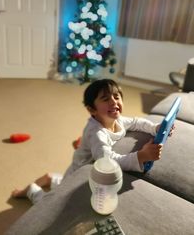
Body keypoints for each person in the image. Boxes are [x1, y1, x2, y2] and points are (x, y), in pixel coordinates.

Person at [12, 79, 163, 204]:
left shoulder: (118, 120)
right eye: (105, 99)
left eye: (116, 97)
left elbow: (136, 122)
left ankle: (50, 178)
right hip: (77, 173)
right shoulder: (96, 133)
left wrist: (155, 128)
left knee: (61, 180)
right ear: (92, 110)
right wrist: (141, 156)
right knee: (50, 202)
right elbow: (107, 161)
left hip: (81, 165)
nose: (113, 102)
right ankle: (31, 190)